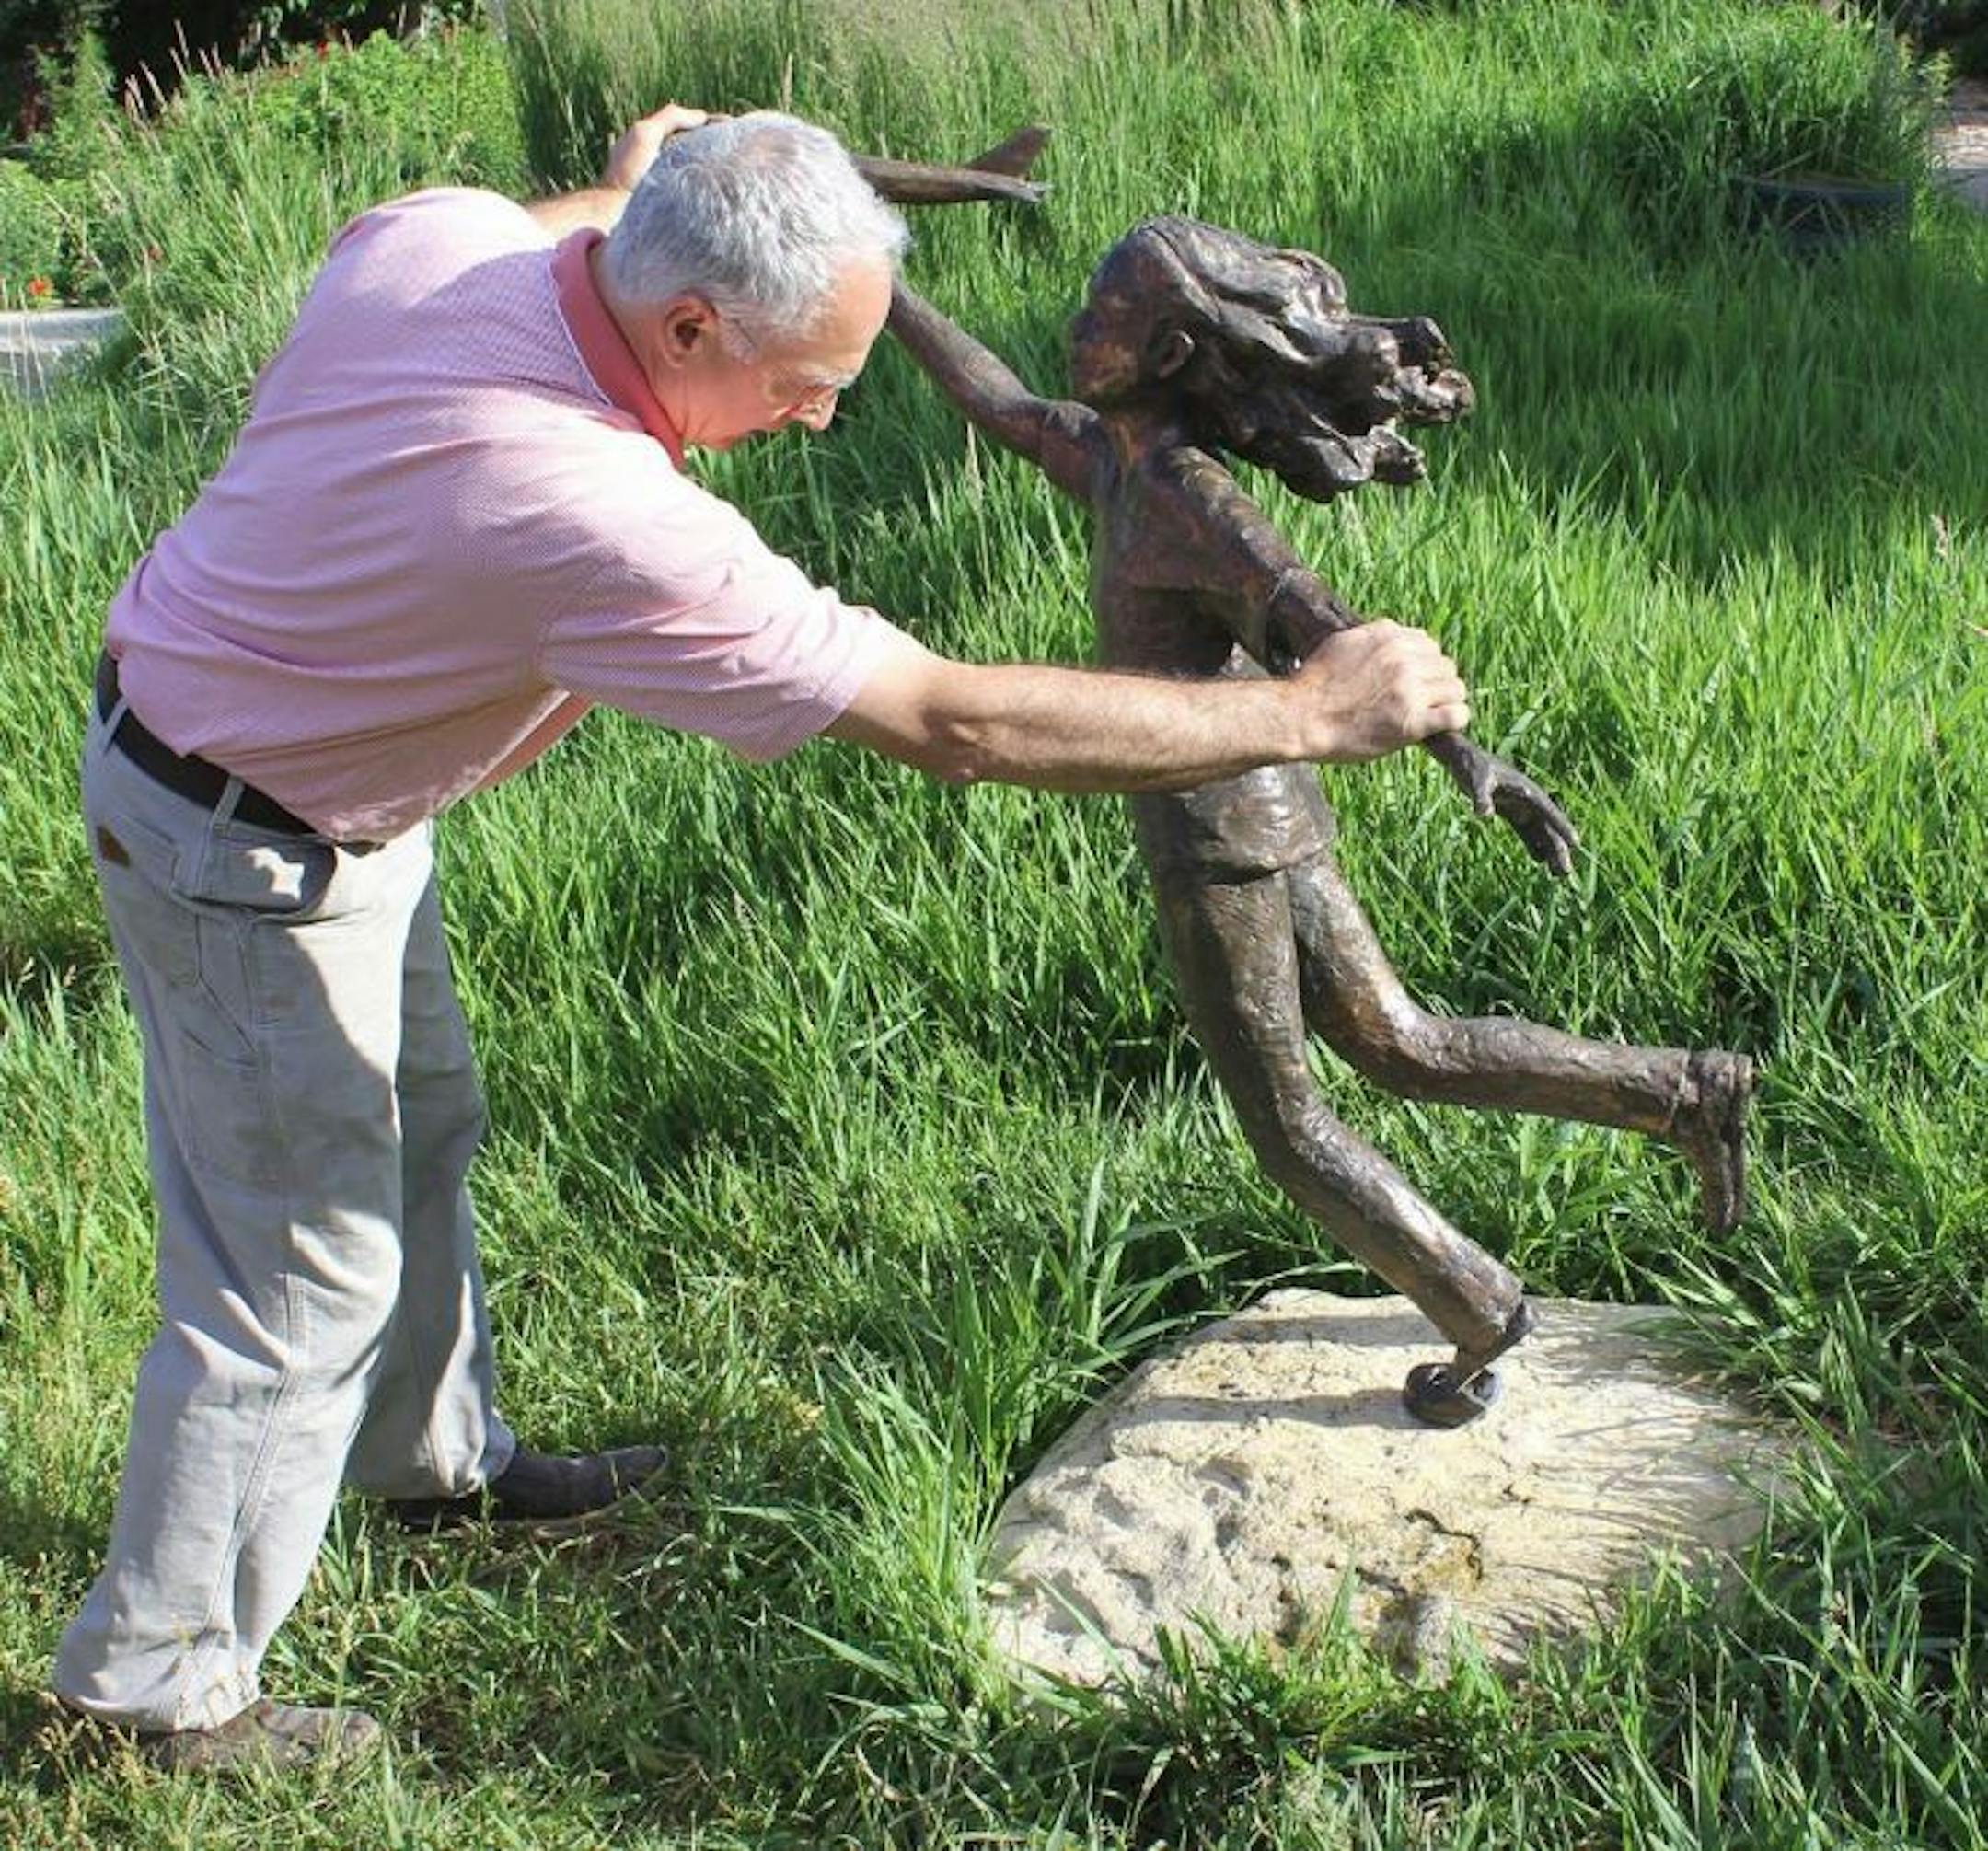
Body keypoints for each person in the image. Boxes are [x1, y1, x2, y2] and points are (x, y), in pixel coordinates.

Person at [56, 109, 1480, 1772]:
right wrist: (1309, 712)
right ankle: (154, 1696)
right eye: (806, 379)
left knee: (422, 1131)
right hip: (241, 852)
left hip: (306, 782)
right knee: (293, 1281)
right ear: (686, 329)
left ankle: (427, 1461)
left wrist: (675, 166)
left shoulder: (449, 241)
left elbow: (605, 210)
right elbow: (953, 723)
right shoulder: (585, 506)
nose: (820, 415)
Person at [887, 215, 1752, 1425]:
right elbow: (995, 399)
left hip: (1215, 838)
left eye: (1103, 315)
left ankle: (1471, 1305)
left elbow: (1320, 625)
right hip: (1267, 811)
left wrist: (1465, 752)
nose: (1078, 328)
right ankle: (1684, 1092)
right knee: (1403, 1042)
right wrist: (877, 286)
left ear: (1172, 348)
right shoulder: (1119, 458)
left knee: (1289, 1123)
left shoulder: (1189, 499)